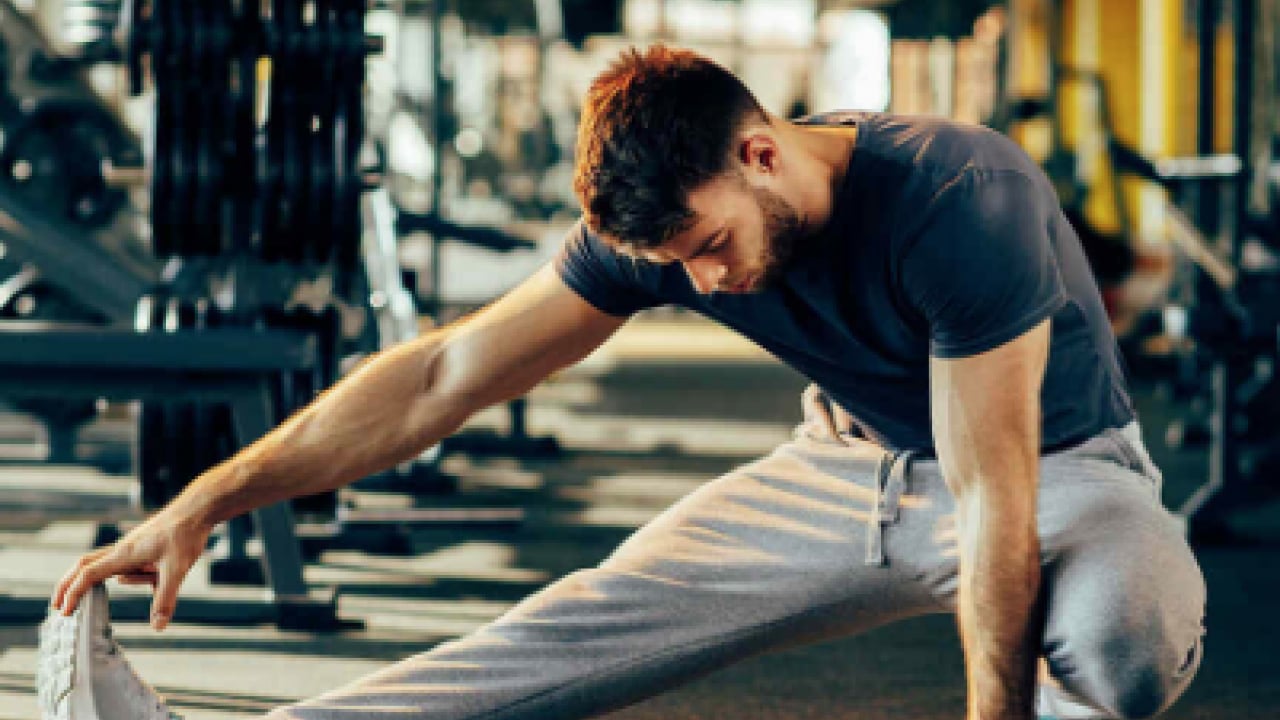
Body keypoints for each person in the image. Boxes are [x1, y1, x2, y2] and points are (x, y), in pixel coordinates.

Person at [49, 45, 1205, 720]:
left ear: (759, 153)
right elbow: (439, 376)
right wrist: (205, 498)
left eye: (706, 247)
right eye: (674, 268)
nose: (705, 280)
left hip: (1053, 474)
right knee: (564, 634)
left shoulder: (958, 196)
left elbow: (993, 492)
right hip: (844, 470)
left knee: (1122, 637)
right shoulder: (660, 230)